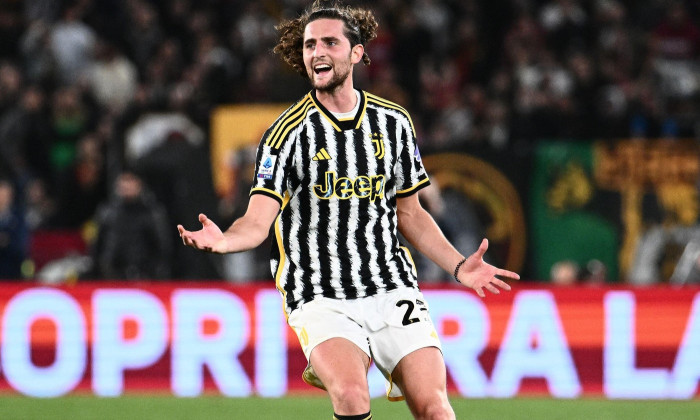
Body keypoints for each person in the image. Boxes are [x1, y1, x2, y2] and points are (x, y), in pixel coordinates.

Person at [178, 1, 519, 419]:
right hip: (320, 293)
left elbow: (410, 215)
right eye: (309, 45)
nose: (317, 52)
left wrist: (459, 266)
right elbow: (257, 220)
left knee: (436, 408)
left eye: (329, 42)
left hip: (390, 284)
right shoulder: (287, 134)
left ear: (356, 53)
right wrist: (226, 240)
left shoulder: (394, 122)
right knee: (354, 396)